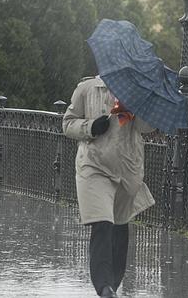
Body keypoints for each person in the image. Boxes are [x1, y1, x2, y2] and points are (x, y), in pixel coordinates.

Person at [63, 76, 155, 297]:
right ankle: (104, 287)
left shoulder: (136, 90)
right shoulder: (87, 88)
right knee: (102, 223)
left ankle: (112, 285)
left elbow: (145, 128)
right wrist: (90, 126)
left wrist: (139, 103)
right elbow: (68, 123)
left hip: (126, 168)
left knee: (119, 226)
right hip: (94, 166)